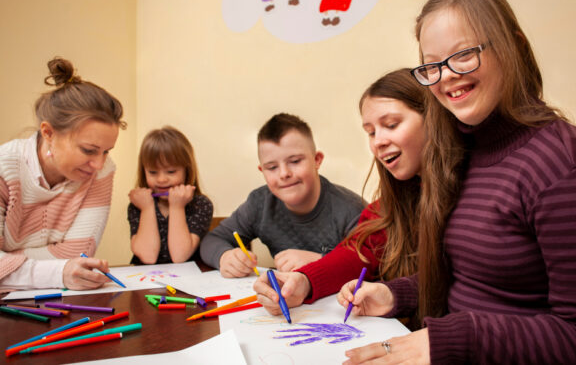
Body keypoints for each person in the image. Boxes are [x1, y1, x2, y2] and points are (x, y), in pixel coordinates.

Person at [339, 0, 576, 364]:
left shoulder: (562, 163)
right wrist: (395, 294)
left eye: (464, 54)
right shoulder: (463, 150)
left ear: (513, 46)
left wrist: (455, 340)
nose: (446, 76)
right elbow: (474, 281)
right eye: (433, 65)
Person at [253, 69, 429, 317]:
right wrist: (304, 281)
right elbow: (361, 251)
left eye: (391, 125)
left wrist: (393, 295)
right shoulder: (391, 204)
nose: (378, 141)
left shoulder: (470, 193)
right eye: (371, 132)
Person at [0, 57, 126, 291]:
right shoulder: (4, 168)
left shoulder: (102, 171)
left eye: (106, 151)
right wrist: (58, 271)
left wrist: (10, 261)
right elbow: (67, 265)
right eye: (88, 150)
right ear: (48, 133)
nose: (99, 164)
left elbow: (77, 254)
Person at [200, 113, 365, 277]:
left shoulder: (352, 210)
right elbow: (212, 240)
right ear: (262, 170)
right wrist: (224, 256)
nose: (284, 174)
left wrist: (321, 261)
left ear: (317, 160)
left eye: (295, 161)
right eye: (272, 167)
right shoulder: (260, 203)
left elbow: (372, 263)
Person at [128, 126, 213, 265]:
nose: (161, 179)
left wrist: (177, 207)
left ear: (187, 170)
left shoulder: (200, 204)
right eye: (153, 172)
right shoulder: (139, 204)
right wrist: (147, 208)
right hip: (147, 276)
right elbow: (148, 257)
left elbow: (179, 256)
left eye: (171, 171)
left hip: (188, 276)